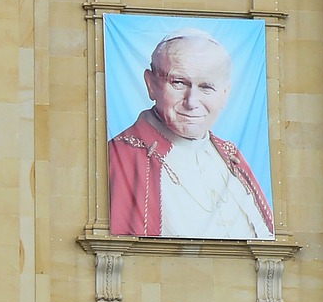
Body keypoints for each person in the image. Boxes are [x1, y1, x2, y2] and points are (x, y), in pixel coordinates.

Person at [109, 29, 274, 239]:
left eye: (206, 87)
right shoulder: (120, 157)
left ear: (225, 94)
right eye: (178, 83)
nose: (191, 102)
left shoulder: (232, 158)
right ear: (151, 85)